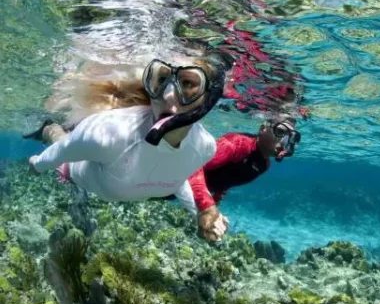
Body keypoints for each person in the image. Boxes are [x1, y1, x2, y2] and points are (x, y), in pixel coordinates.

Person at [24, 44, 234, 243]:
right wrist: (38, 164)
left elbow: (176, 173)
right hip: (77, 170)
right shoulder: (108, 135)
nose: (168, 95)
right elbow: (64, 149)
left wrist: (198, 213)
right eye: (161, 81)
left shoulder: (205, 147)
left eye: (188, 84)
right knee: (59, 137)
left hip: (112, 180)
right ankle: (48, 128)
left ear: (208, 99)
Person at [187, 116, 301, 237]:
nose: (285, 141)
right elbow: (192, 167)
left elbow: (227, 180)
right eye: (281, 132)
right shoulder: (237, 144)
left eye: (290, 137)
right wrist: (208, 209)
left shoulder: (264, 165)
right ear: (263, 129)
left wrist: (210, 212)